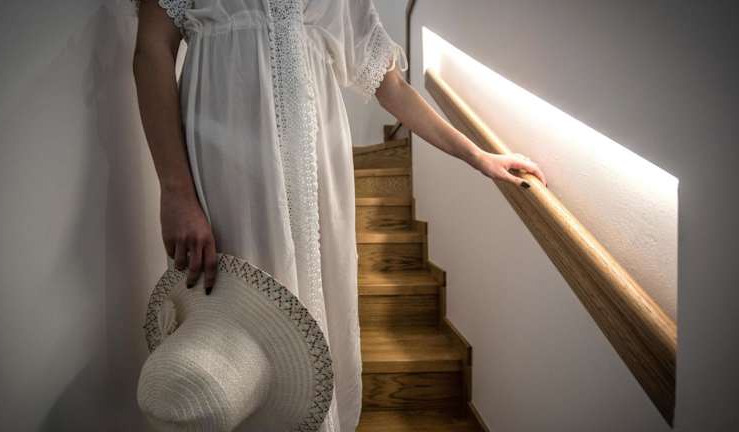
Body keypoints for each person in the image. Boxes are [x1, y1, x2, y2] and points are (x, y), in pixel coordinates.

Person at [132, 0, 546, 430]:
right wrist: (176, 191)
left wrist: (477, 155)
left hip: (318, 171)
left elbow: (391, 86)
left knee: (314, 319)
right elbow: (152, 49)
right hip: (227, 162)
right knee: (233, 320)